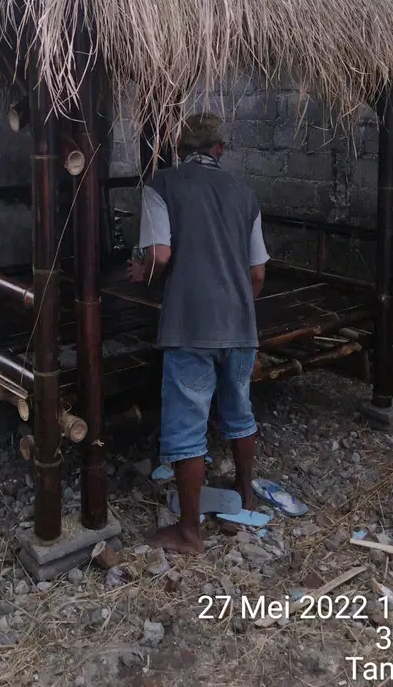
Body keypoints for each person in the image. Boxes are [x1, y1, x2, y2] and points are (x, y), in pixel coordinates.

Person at [128, 112, 268, 555]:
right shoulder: (245, 194)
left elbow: (161, 255)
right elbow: (258, 271)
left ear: (178, 148)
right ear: (219, 150)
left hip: (190, 326)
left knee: (188, 427)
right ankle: (245, 494)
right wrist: (239, 305)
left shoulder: (161, 185)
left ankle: (189, 533)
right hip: (241, 326)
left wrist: (140, 271)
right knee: (240, 413)